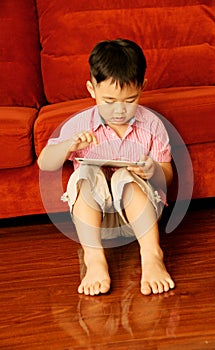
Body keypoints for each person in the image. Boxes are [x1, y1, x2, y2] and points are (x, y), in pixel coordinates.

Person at [38, 38, 175, 296]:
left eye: (130, 99)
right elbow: (45, 163)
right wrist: (68, 145)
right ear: (92, 89)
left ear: (143, 88)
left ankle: (152, 253)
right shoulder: (80, 124)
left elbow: (166, 176)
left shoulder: (152, 125)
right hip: (96, 223)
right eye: (109, 101)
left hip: (139, 218)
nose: (119, 111)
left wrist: (152, 170)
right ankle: (94, 258)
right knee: (86, 174)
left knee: (124, 175)